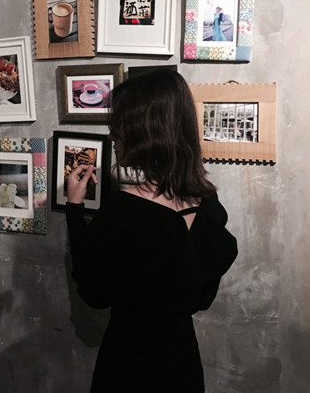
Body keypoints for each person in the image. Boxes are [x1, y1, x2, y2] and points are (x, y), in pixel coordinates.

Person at [66, 69, 238, 392]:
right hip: (182, 364)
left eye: (120, 125)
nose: (112, 135)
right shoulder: (208, 205)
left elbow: (93, 292)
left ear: (145, 131)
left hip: (128, 364)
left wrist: (74, 210)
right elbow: (201, 298)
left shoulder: (124, 209)